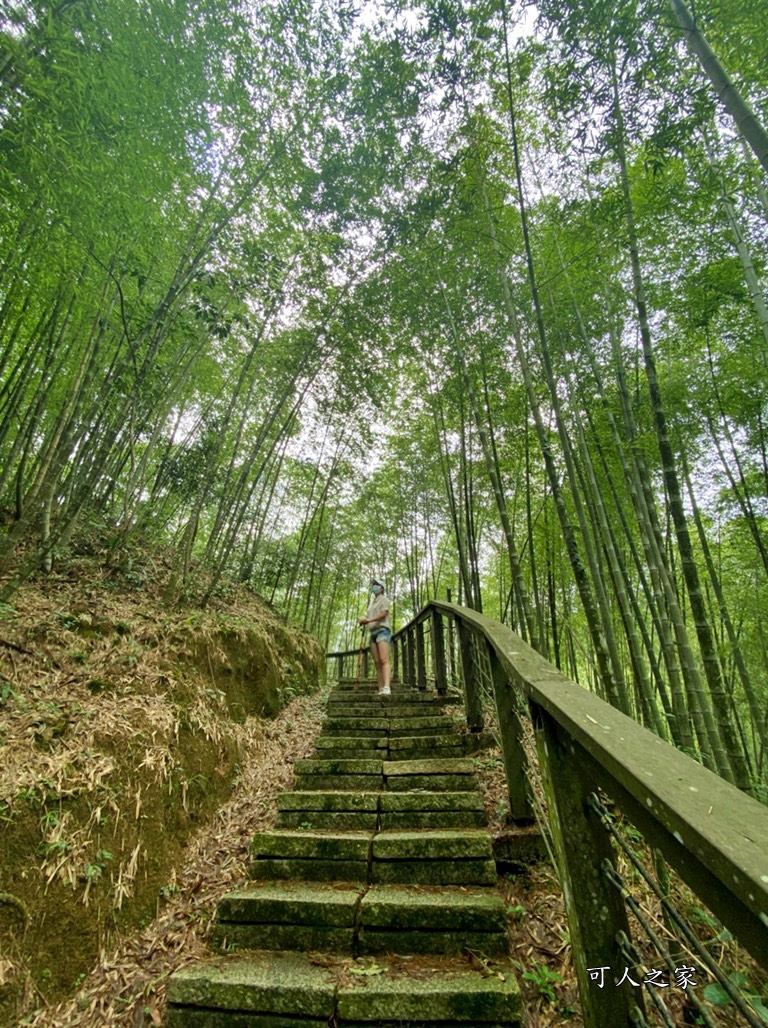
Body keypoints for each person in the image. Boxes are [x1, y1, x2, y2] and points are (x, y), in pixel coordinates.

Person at [359, 578, 391, 696]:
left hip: (382, 630)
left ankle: (387, 687)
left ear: (382, 588)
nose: (374, 586)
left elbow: (384, 614)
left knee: (384, 659)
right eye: (373, 585)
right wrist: (363, 621)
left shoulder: (384, 600)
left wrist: (368, 620)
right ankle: (381, 688)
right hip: (372, 633)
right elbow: (369, 617)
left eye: (377, 585)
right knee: (377, 662)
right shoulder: (372, 604)